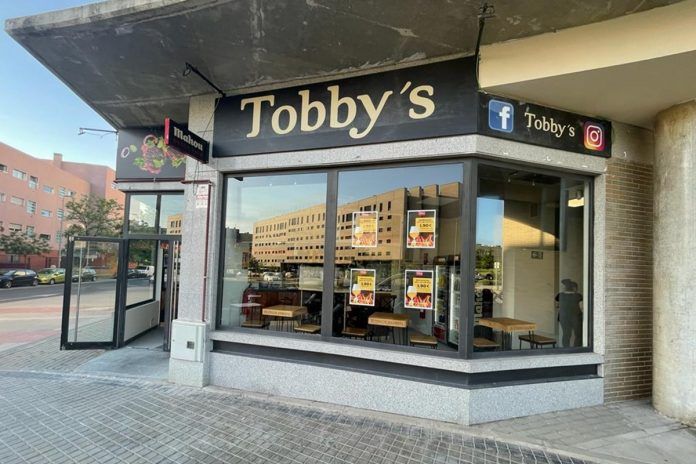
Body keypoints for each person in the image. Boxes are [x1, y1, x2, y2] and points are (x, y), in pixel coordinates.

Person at [555, 279, 583, 347]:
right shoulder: (578, 296)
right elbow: (582, 307)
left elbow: (557, 306)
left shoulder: (559, 295)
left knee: (566, 334)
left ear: (565, 287)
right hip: (575, 317)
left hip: (563, 317)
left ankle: (566, 349)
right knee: (578, 334)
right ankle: (576, 348)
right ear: (574, 288)